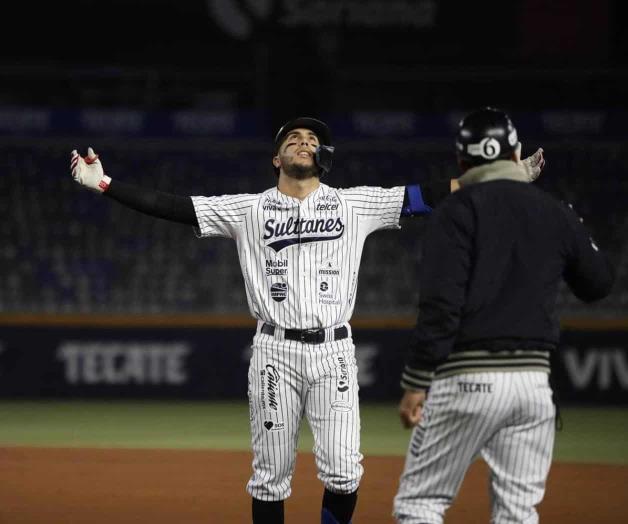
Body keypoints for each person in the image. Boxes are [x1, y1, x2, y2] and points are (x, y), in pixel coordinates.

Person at [70, 116, 544, 524]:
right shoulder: (247, 209)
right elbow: (171, 205)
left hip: (334, 352)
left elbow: (432, 194)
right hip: (274, 351)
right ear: (276, 158)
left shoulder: (354, 204)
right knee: (270, 477)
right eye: (292, 138)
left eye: (312, 139)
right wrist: (105, 184)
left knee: (344, 472)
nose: (303, 142)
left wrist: (503, 177)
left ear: (325, 156)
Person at [393, 107, 615, 524]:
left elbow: (441, 304)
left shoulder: (455, 211)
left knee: (419, 506)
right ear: (516, 154)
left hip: (466, 378)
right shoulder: (554, 210)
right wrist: (575, 229)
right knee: (517, 512)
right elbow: (598, 284)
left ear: (462, 162)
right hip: (533, 386)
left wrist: (417, 380)